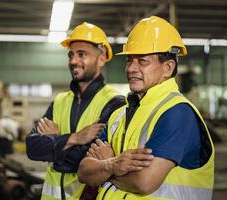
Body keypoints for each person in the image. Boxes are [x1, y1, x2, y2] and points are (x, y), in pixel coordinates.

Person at [78, 16, 214, 200]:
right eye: (129, 60)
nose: (131, 68)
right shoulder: (119, 114)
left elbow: (144, 182)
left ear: (168, 67)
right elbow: (84, 172)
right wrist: (112, 165)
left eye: (142, 61)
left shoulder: (177, 113)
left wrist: (105, 168)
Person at [26, 22, 125, 200]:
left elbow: (85, 161)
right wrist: (75, 138)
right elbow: (32, 148)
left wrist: (55, 143)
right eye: (71, 54)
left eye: (82, 54)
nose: (73, 61)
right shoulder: (59, 101)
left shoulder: (114, 102)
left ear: (101, 58)